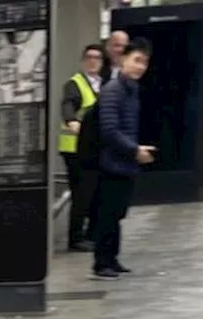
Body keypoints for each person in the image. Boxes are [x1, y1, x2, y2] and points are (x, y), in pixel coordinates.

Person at [89, 38, 156, 281]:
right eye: (136, 60)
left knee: (117, 214)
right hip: (110, 163)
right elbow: (109, 130)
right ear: (123, 60)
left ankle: (112, 259)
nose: (140, 67)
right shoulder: (113, 90)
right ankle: (101, 262)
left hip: (124, 162)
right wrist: (135, 150)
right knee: (108, 213)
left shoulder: (132, 90)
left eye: (144, 63)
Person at [59, 43, 105, 252]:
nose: (93, 60)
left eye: (97, 57)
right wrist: (71, 121)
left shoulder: (102, 84)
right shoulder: (75, 83)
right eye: (89, 57)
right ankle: (75, 238)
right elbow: (67, 104)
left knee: (93, 191)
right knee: (81, 193)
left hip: (93, 147)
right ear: (83, 60)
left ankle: (90, 234)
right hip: (74, 148)